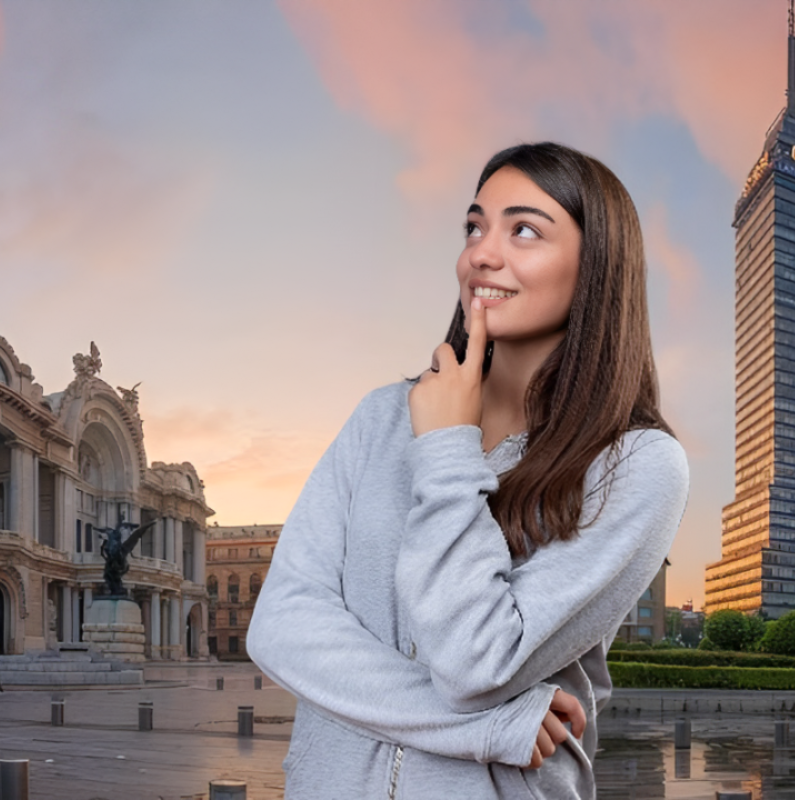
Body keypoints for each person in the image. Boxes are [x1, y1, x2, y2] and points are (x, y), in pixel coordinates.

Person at [247, 142, 689, 799]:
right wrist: (494, 728)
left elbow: (476, 662)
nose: (481, 252)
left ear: (597, 266)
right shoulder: (382, 418)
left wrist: (448, 445)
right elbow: (280, 624)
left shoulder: (637, 465)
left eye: (525, 230)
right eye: (474, 226)